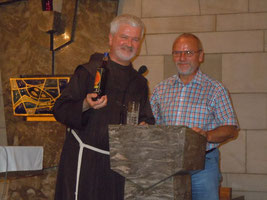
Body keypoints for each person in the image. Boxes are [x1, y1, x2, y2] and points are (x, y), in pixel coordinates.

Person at [53, 14, 155, 200]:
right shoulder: (89, 72)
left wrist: (143, 127)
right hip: (85, 163)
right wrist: (85, 104)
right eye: (124, 37)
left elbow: (146, 118)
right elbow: (60, 109)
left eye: (135, 39)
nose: (129, 43)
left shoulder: (139, 82)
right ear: (110, 38)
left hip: (119, 167)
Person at [150, 33, 238, 200]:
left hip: (203, 166)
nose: (182, 58)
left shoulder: (215, 89)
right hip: (167, 165)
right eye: (177, 53)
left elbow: (231, 129)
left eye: (188, 53)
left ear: (200, 56)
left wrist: (206, 136)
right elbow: (152, 126)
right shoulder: (160, 89)